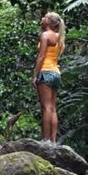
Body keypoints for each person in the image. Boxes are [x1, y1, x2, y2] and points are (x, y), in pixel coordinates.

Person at [33, 11, 64, 143]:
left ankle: (45, 140)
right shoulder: (59, 36)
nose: (42, 18)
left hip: (45, 72)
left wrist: (35, 74)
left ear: (49, 22)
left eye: (45, 17)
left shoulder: (45, 35)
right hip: (56, 73)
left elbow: (41, 57)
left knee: (46, 107)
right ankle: (53, 140)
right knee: (52, 107)